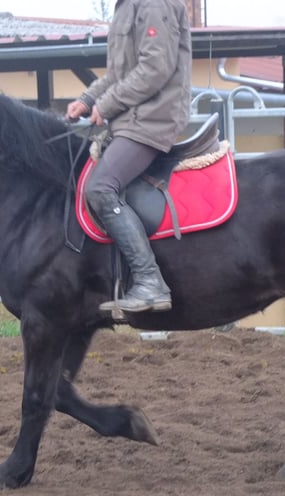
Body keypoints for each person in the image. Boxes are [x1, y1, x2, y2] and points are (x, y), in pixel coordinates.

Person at [67, 0, 192, 313]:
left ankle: (150, 280)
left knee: (99, 187)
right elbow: (119, 73)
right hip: (133, 118)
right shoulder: (125, 7)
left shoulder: (153, 4)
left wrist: (106, 105)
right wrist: (87, 99)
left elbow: (155, 69)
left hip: (153, 118)